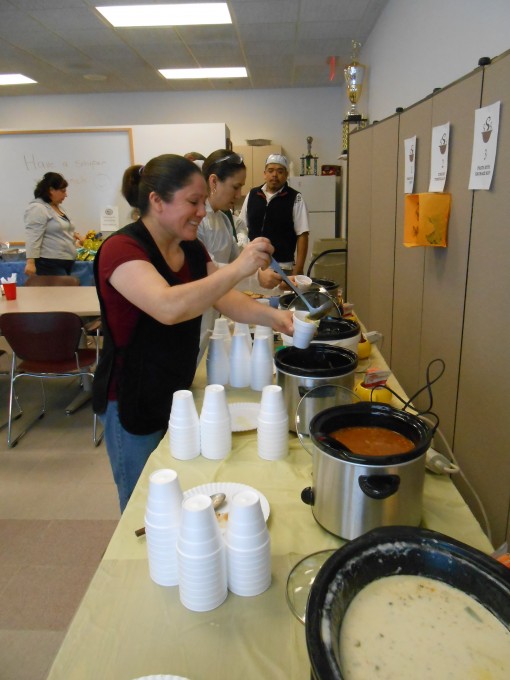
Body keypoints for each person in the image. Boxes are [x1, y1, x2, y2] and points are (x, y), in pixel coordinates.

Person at [93, 154, 294, 512]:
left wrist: (278, 320)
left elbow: (224, 297)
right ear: (157, 201)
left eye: (204, 201)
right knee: (146, 504)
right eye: (193, 202)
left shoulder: (189, 246)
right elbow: (168, 307)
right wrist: (239, 267)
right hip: (132, 396)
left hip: (176, 388)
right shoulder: (121, 249)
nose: (203, 211)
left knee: (181, 491)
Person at [196, 149, 282, 360]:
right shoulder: (196, 222)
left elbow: (237, 259)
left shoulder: (223, 220)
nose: (238, 195)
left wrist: (263, 271)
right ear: (214, 181)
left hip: (216, 311)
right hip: (196, 313)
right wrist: (257, 277)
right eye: (235, 187)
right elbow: (209, 270)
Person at [239, 153, 310, 276]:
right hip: (253, 264)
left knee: (281, 296)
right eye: (270, 170)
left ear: (286, 175)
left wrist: (298, 269)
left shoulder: (295, 198)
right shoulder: (252, 194)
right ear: (264, 173)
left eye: (280, 171)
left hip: (283, 267)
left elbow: (302, 234)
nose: (274, 175)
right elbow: (241, 226)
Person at [24, 172, 83, 276]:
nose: (66, 195)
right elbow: (33, 237)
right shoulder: (38, 208)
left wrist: (75, 236)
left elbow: (59, 230)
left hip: (66, 261)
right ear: (51, 190)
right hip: (49, 263)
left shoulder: (59, 208)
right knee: (60, 292)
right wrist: (30, 263)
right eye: (63, 191)